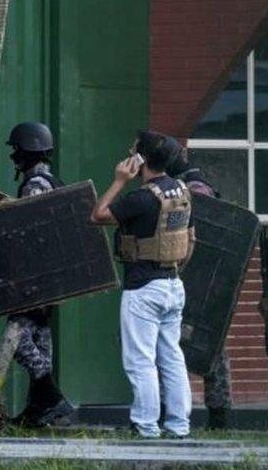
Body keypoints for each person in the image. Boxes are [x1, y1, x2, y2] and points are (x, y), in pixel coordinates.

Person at [90, 129, 195, 439]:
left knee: (140, 360)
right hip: (173, 282)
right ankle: (179, 426)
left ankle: (146, 426)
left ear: (140, 159)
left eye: (133, 151)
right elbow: (191, 238)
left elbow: (98, 215)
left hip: (144, 287)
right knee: (172, 357)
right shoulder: (182, 191)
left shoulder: (141, 198)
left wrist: (120, 179)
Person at [4, 122, 75, 427]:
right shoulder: (56, 181)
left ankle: (51, 397)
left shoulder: (34, 186)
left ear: (27, 150)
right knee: (41, 338)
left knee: (18, 341)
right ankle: (38, 411)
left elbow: (29, 232)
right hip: (51, 278)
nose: (14, 157)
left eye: (16, 150)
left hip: (34, 278)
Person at [166, 149, 232, 430]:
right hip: (205, 281)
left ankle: (217, 417)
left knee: (205, 348)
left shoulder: (193, 190)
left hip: (198, 280)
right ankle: (216, 416)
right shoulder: (199, 186)